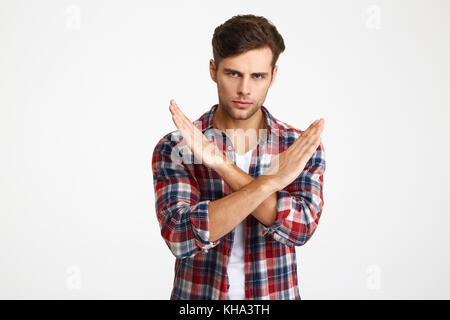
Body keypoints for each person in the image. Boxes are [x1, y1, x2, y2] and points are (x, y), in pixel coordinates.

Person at [151, 14, 326, 300]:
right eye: (233, 73)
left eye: (257, 76)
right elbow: (179, 237)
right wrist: (269, 183)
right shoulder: (177, 147)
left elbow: (301, 228)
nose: (245, 89)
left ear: (273, 76)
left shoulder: (298, 146)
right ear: (213, 70)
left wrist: (221, 164)